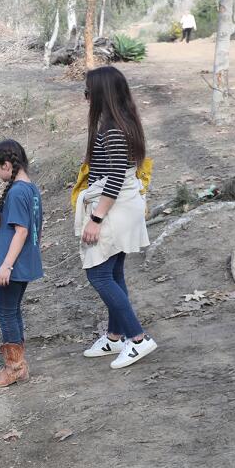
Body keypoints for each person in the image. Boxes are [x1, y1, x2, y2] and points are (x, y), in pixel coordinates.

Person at [75, 65, 157, 369]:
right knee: (113, 272)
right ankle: (114, 336)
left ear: (100, 94)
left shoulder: (112, 130)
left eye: (87, 91)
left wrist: (96, 219)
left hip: (114, 209)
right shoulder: (122, 122)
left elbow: (115, 178)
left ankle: (137, 338)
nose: (85, 97)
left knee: (97, 274)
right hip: (123, 207)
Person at [0, 139, 43, 388]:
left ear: (7, 165)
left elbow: (21, 232)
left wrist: (6, 265)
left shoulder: (18, 191)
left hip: (14, 265)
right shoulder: (30, 188)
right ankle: (19, 365)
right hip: (23, 263)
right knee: (13, 310)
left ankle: (15, 368)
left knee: (6, 312)